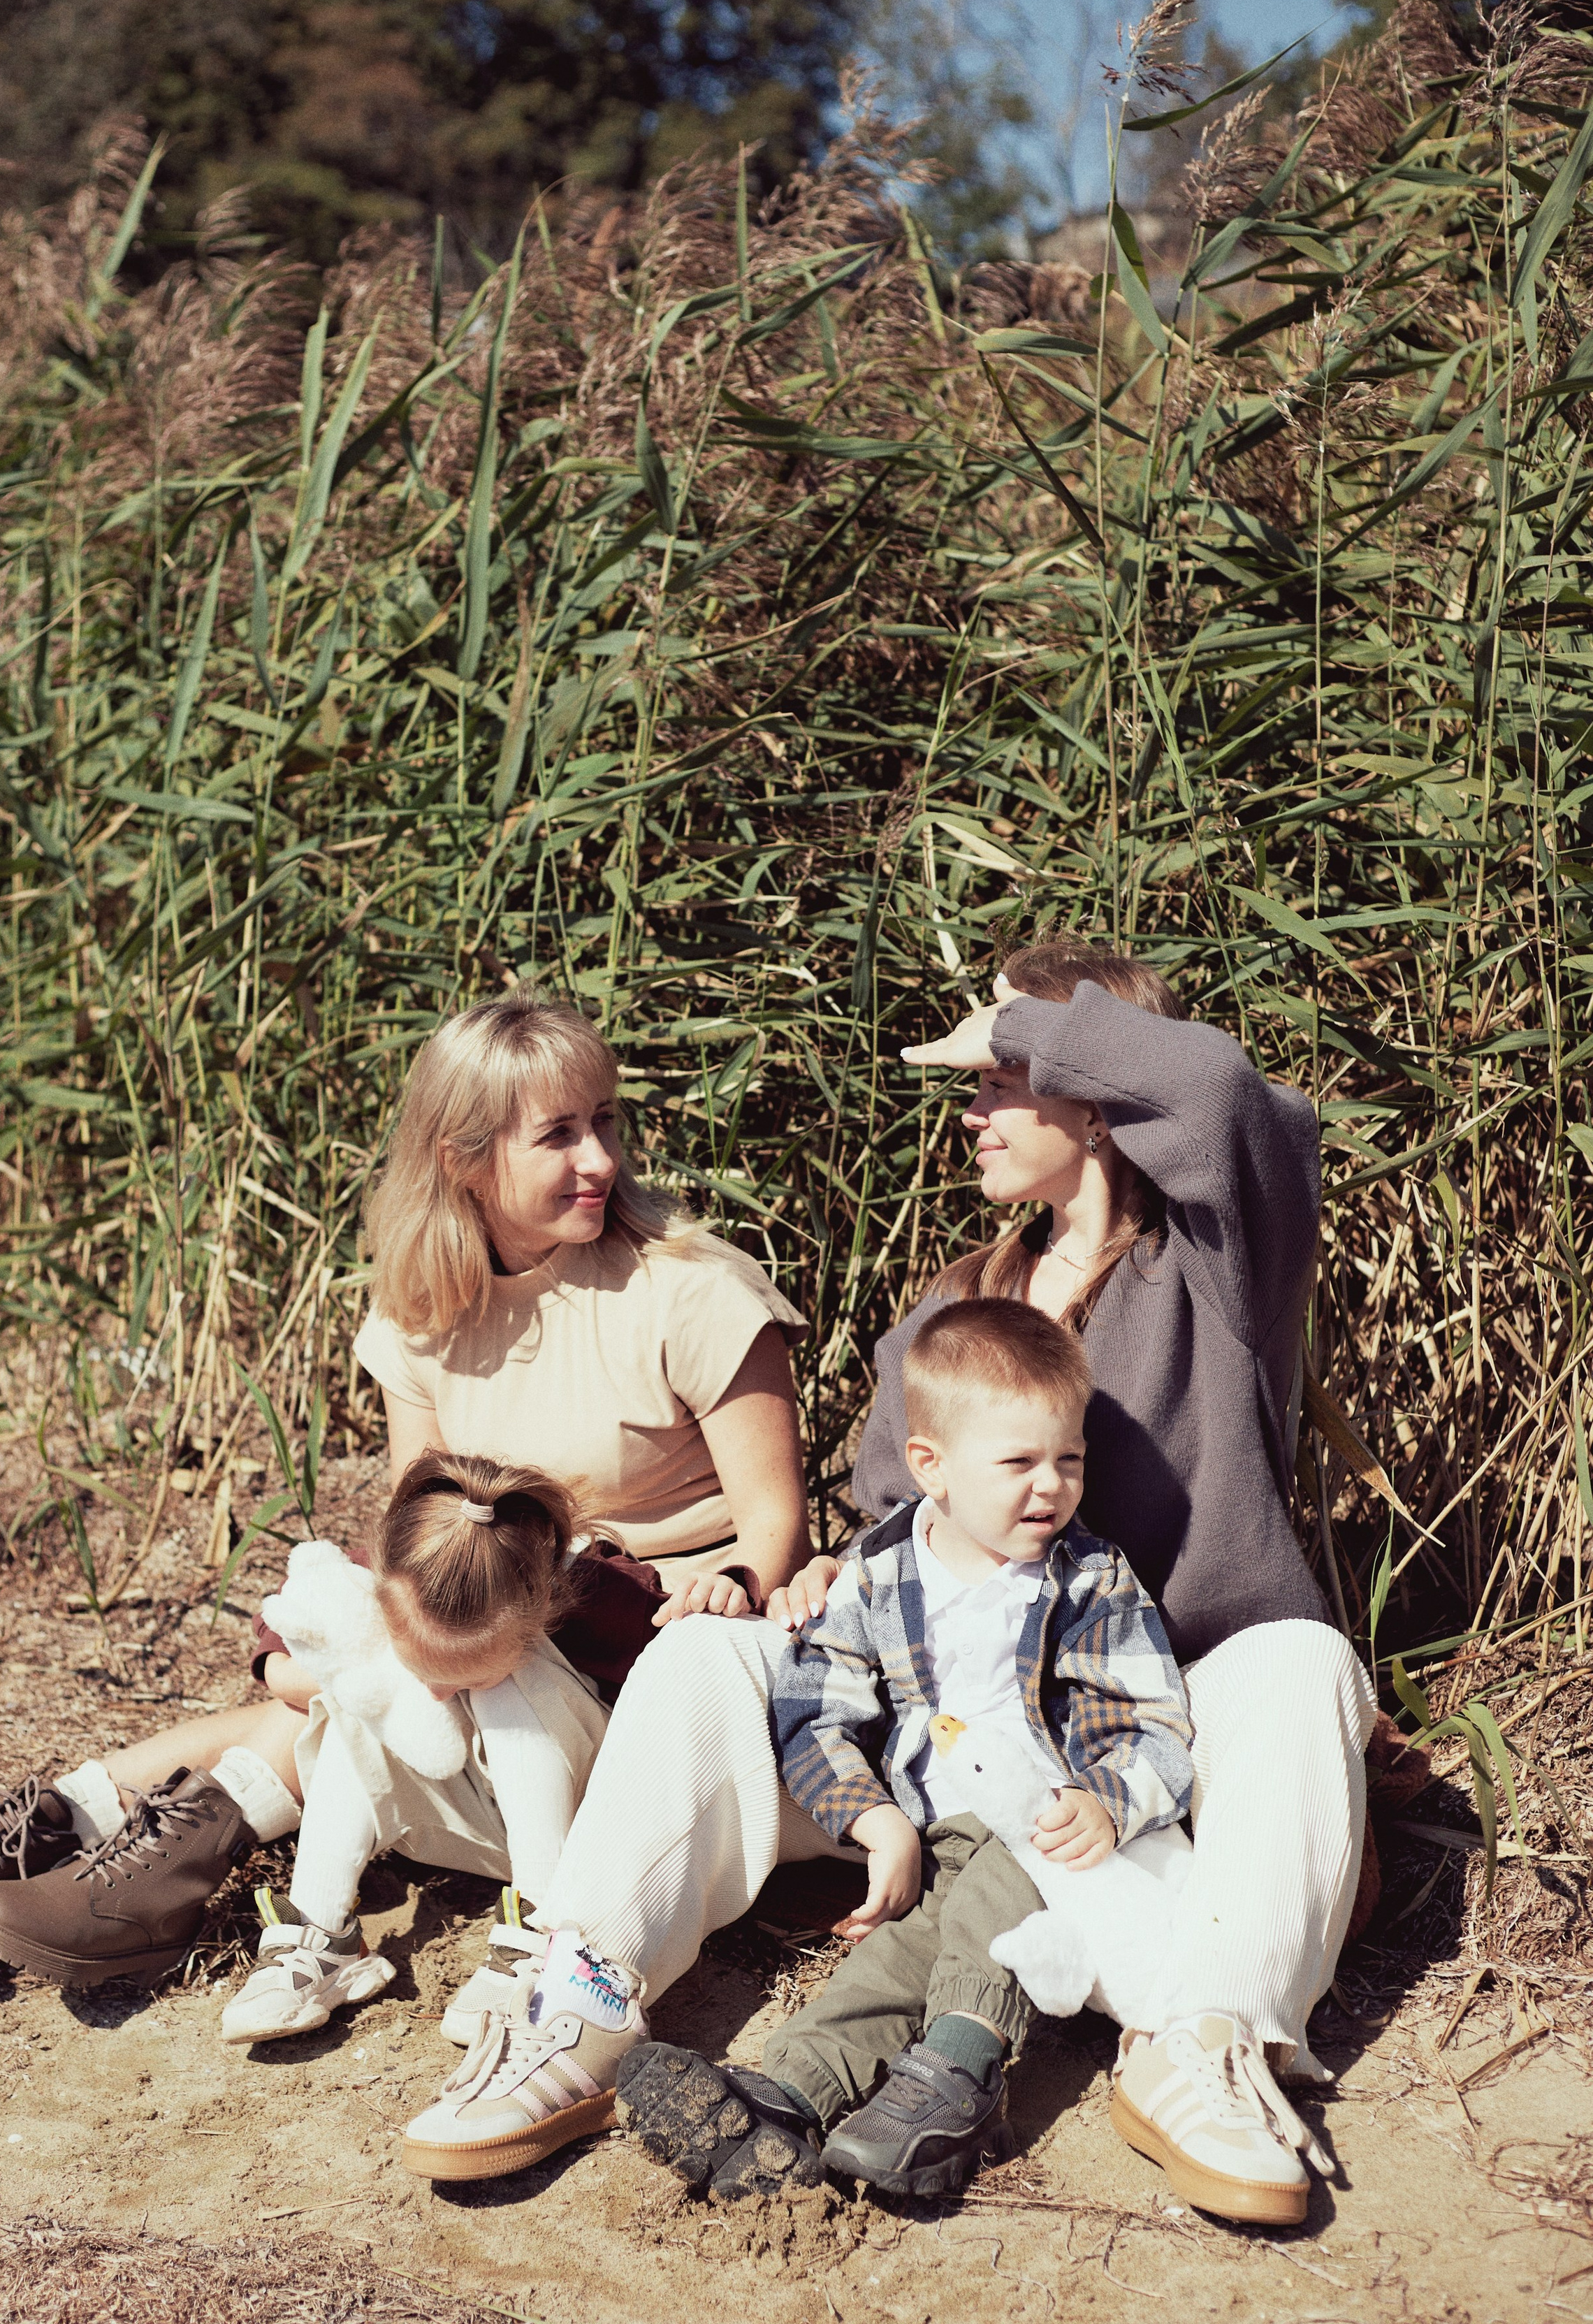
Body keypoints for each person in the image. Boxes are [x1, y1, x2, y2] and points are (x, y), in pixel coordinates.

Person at [428, 936, 1368, 2228]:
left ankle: (1206, 2046)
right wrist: (824, 1575)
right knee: (709, 1653)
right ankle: (578, 2002)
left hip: (1149, 1738)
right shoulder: (952, 1313)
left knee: (1304, 1658)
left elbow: (1219, 1095)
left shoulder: (1213, 1269)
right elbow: (897, 1528)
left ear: (1093, 1094)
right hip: (949, 1738)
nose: (971, 1111)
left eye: (998, 1079)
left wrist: (1041, 1018)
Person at [0, 992, 812, 1998]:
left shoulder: (692, 1293)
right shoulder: (428, 1310)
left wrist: (729, 1583)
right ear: (463, 1158)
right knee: (350, 1664)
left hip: (647, 1650)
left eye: (604, 1121)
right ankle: (13, 1861)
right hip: (493, 1616)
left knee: (339, 1700)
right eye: (558, 1136)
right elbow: (415, 1526)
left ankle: (93, 1879)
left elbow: (774, 1527)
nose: (600, 1159)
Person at [618, 1298, 1195, 2204]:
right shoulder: (884, 1572)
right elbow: (816, 1709)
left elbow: (1154, 1723)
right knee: (898, 1960)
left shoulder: (1090, 1579)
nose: (1051, 1487)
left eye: (1069, 1462)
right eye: (1019, 1464)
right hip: (948, 1830)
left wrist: (1108, 1798)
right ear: (931, 1467)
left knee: (992, 1909)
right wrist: (873, 1817)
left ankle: (958, 2075)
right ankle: (788, 2100)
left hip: (1055, 1834)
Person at [217, 1451, 611, 2053]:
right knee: (365, 1677)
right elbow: (304, 1618)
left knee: (511, 1679)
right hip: (476, 1815)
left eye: (460, 1676)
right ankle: (321, 1932)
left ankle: (544, 1938)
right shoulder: (412, 1569)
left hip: (579, 1831)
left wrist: (729, 1589)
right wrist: (294, 1662)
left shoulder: (608, 1592)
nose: (436, 1692)